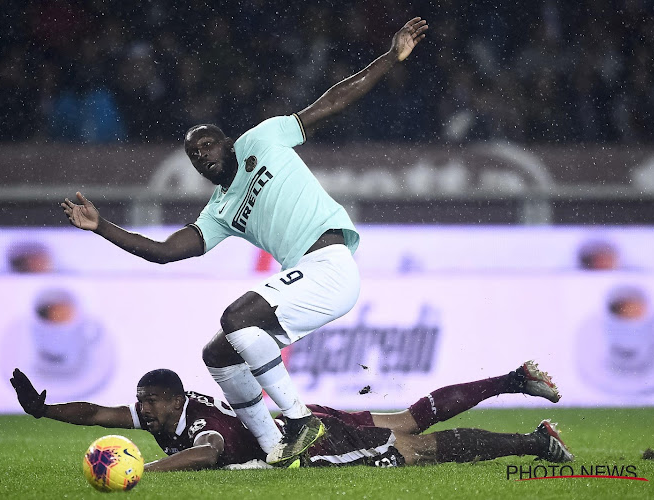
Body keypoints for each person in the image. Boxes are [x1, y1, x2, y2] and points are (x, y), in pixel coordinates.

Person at [60, 17, 430, 466]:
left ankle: (298, 421)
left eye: (208, 145)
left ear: (229, 142)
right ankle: (275, 448)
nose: (202, 156)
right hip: (309, 277)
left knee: (236, 317)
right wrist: (102, 226)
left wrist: (390, 58)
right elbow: (164, 252)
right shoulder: (219, 210)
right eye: (194, 155)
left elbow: (332, 102)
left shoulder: (264, 138)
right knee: (216, 352)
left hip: (330, 263)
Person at [10, 360, 573, 471]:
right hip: (298, 417)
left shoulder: (199, 428)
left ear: (177, 400)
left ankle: (532, 441)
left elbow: (207, 452)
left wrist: (146, 472)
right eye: (142, 404)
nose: (142, 410)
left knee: (416, 447)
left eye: (151, 402)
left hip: (314, 436)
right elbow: (94, 412)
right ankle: (514, 381)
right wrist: (43, 410)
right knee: (407, 421)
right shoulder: (164, 419)